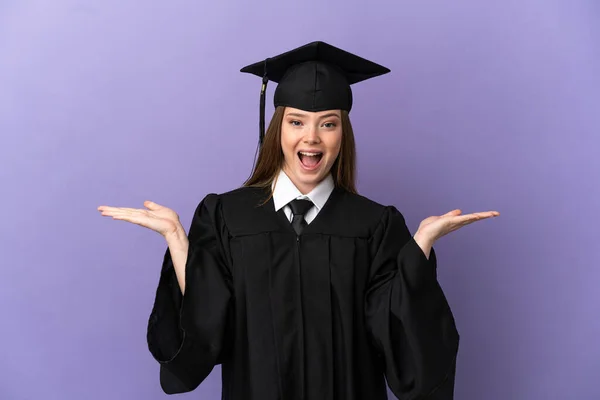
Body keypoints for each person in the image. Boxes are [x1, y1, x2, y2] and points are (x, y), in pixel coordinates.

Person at [98, 41, 499, 400]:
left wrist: (419, 249)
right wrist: (177, 240)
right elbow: (209, 323)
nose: (312, 137)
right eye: (296, 121)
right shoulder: (225, 216)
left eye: (328, 123)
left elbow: (395, 335)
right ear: (278, 130)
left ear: (343, 134)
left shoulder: (375, 226)